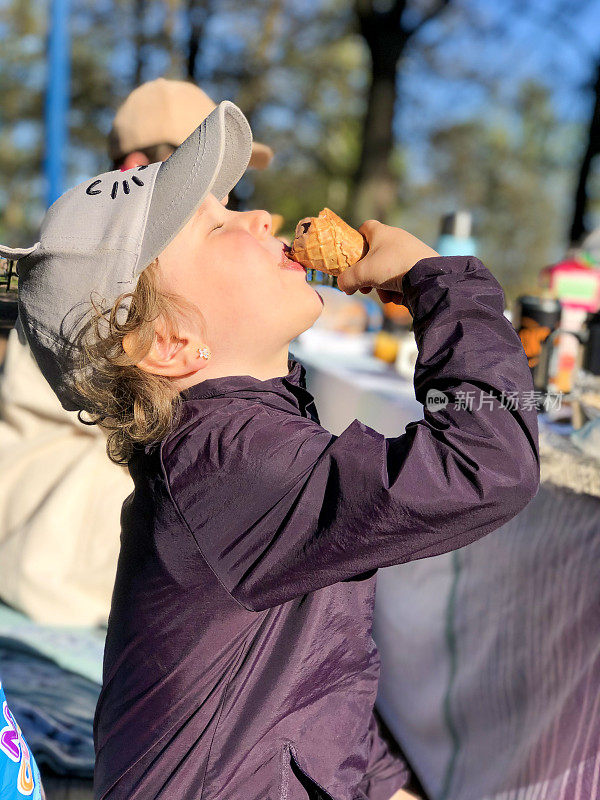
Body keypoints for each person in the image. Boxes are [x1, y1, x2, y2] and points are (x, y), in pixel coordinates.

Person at [0, 101, 539, 800]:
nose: (262, 218)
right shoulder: (232, 461)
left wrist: (383, 784)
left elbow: (308, 665)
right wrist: (444, 284)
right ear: (169, 344)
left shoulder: (231, 438)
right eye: (217, 224)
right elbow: (488, 464)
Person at [0, 78, 273, 627]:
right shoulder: (97, 274)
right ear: (132, 169)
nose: (227, 208)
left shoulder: (105, 257)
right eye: (200, 194)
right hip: (64, 563)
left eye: (226, 197)